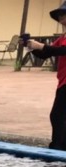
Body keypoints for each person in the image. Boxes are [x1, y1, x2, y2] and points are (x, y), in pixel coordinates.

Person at [23, 2, 66, 150]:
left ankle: (58, 148)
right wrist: (29, 46)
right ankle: (60, 147)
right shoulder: (63, 37)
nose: (61, 16)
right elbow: (46, 54)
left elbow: (62, 51)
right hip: (62, 82)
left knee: (57, 115)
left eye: (63, 13)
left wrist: (40, 45)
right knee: (59, 116)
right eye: (60, 14)